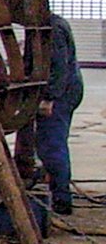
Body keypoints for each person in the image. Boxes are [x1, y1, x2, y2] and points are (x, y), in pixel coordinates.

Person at [37, 13, 84, 215]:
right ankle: (58, 191)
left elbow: (59, 66)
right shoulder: (48, 25)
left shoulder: (52, 28)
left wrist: (49, 98)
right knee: (49, 142)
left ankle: (62, 200)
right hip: (67, 88)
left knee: (52, 144)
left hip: (62, 93)